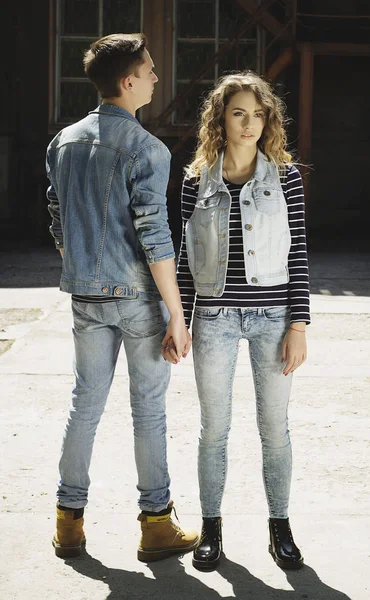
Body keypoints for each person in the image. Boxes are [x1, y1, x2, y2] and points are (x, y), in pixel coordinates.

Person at [46, 33, 198, 561]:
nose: (157, 78)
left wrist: (79, 264)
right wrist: (177, 316)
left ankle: (69, 521)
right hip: (136, 298)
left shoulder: (63, 142)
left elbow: (57, 217)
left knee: (84, 404)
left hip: (85, 294)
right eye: (150, 70)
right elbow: (156, 238)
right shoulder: (147, 149)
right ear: (128, 81)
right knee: (149, 410)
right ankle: (156, 523)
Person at [176, 72, 310, 571]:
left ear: (267, 119)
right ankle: (210, 531)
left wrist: (299, 325)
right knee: (214, 429)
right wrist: (180, 322)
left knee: (275, 428)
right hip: (213, 319)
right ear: (221, 118)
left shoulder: (287, 178)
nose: (249, 123)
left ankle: (281, 529)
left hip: (274, 318)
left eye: (258, 113)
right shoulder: (196, 180)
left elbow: (298, 253)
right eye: (238, 112)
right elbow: (186, 257)